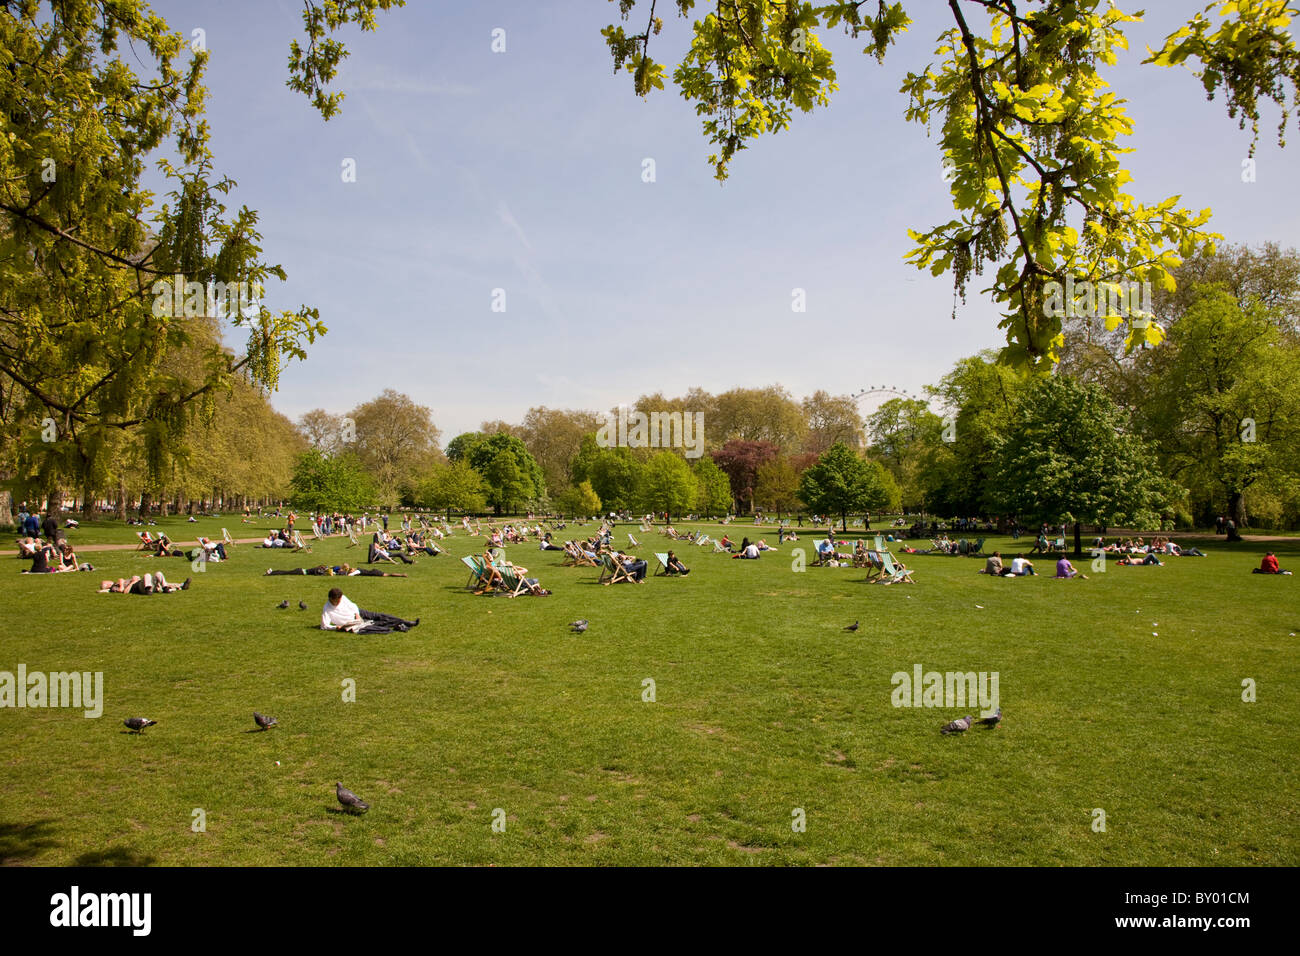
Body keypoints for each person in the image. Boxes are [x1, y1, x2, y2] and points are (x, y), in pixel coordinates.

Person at [320, 587, 418, 632]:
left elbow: (353, 605)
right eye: (337, 600)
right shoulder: (327, 609)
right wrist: (337, 627)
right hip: (350, 622)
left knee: (380, 616)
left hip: (358, 613)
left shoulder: (343, 598)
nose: (340, 601)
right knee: (376, 624)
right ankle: (398, 626)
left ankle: (405, 622)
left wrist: (357, 614)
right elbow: (324, 626)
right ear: (331, 599)